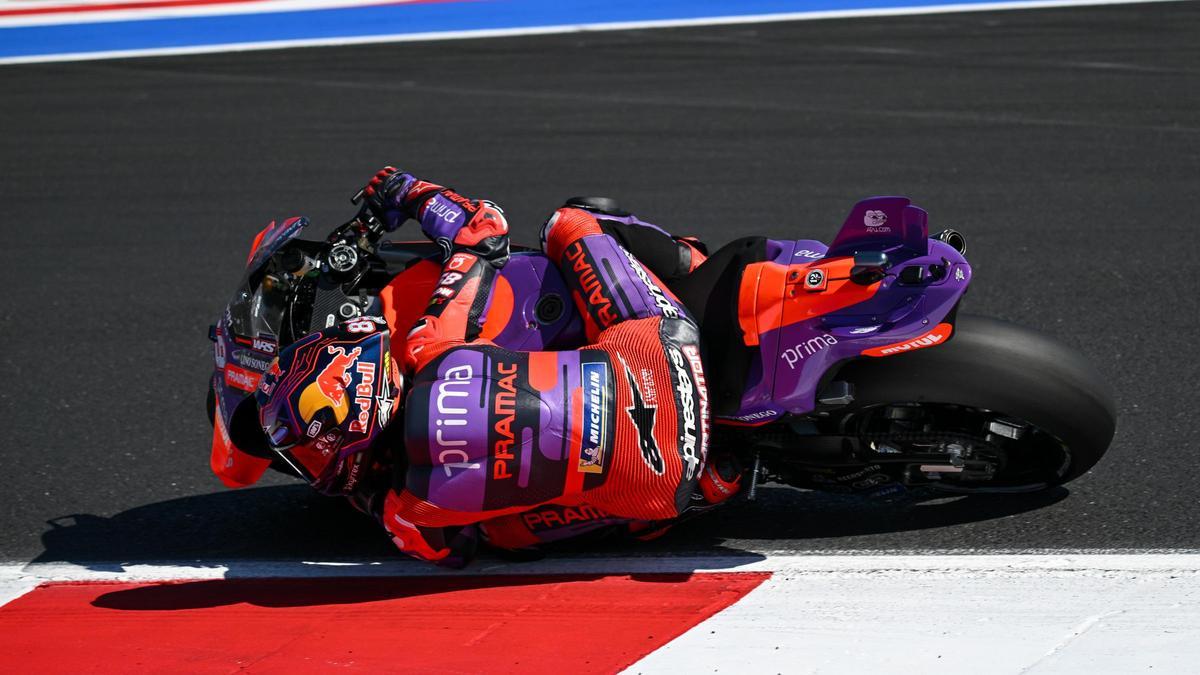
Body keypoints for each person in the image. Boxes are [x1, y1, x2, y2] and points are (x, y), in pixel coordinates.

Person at [255, 167, 740, 566]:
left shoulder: (410, 511)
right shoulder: (431, 345)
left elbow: (447, 552)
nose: (319, 463)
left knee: (499, 533)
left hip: (661, 486)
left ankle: (704, 489)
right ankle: (690, 264)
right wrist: (405, 189)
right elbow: (483, 230)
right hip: (665, 351)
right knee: (571, 221)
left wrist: (367, 497)